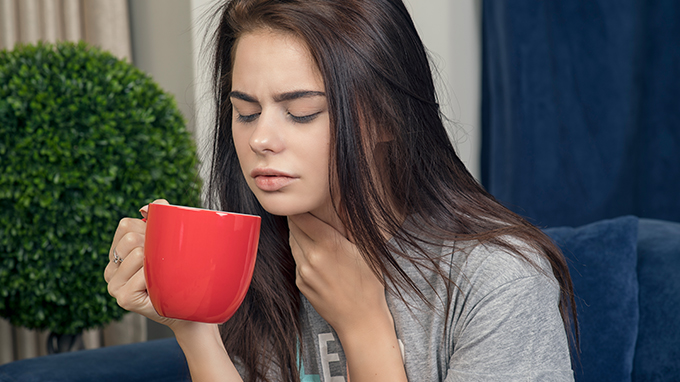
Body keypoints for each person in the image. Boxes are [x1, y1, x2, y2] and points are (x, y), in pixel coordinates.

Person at [105, 0, 577, 381]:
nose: (259, 139)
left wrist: (364, 329)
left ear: (386, 118)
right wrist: (194, 325)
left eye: (302, 111)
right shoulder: (257, 263)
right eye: (246, 112)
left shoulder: (500, 279)